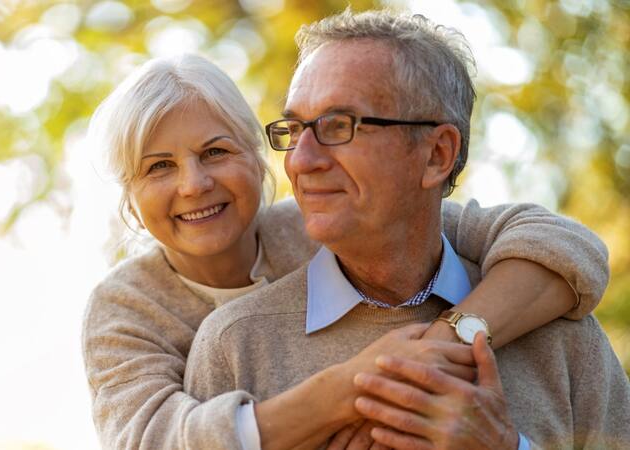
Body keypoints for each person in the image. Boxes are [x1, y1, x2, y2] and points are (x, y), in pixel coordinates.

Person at [82, 52, 610, 450]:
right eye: (158, 167)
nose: (194, 184)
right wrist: (357, 384)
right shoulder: (128, 310)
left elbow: (559, 244)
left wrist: (447, 341)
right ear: (130, 192)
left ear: (258, 156)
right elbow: (151, 439)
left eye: (215, 152)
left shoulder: (325, 221)